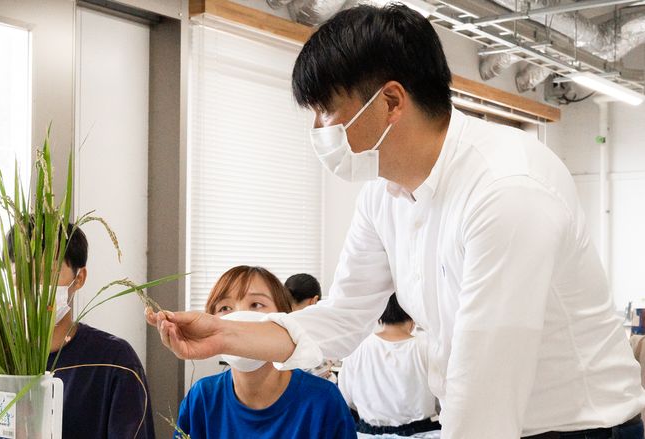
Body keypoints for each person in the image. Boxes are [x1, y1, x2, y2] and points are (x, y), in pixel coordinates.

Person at [148, 4, 645, 438]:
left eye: (326, 112)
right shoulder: (383, 195)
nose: (318, 130)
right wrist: (227, 333)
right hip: (480, 415)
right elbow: (342, 319)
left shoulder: (505, 190)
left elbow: (486, 385)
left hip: (578, 429)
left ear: (389, 102)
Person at [0, 223, 154, 439]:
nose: (33, 289)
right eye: (21, 276)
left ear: (79, 279)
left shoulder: (114, 362)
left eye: (47, 275)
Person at [174, 265, 355, 439]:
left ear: (284, 319)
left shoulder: (323, 401)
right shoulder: (202, 398)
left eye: (256, 304)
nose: (239, 318)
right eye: (225, 308)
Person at [339, 294, 439, 437]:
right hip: (421, 432)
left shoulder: (357, 348)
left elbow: (346, 398)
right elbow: (443, 396)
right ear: (413, 314)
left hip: (368, 433)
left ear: (379, 315)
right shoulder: (427, 347)